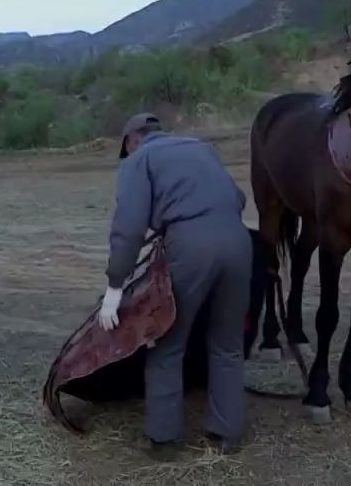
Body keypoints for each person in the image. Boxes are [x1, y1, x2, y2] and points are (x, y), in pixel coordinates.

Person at [97, 113, 252, 457]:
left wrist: (114, 289)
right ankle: (227, 434)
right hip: (239, 241)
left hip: (191, 245)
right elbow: (238, 198)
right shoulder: (201, 148)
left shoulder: (140, 159)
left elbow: (129, 227)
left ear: (130, 141)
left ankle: (165, 439)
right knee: (227, 342)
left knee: (167, 340)